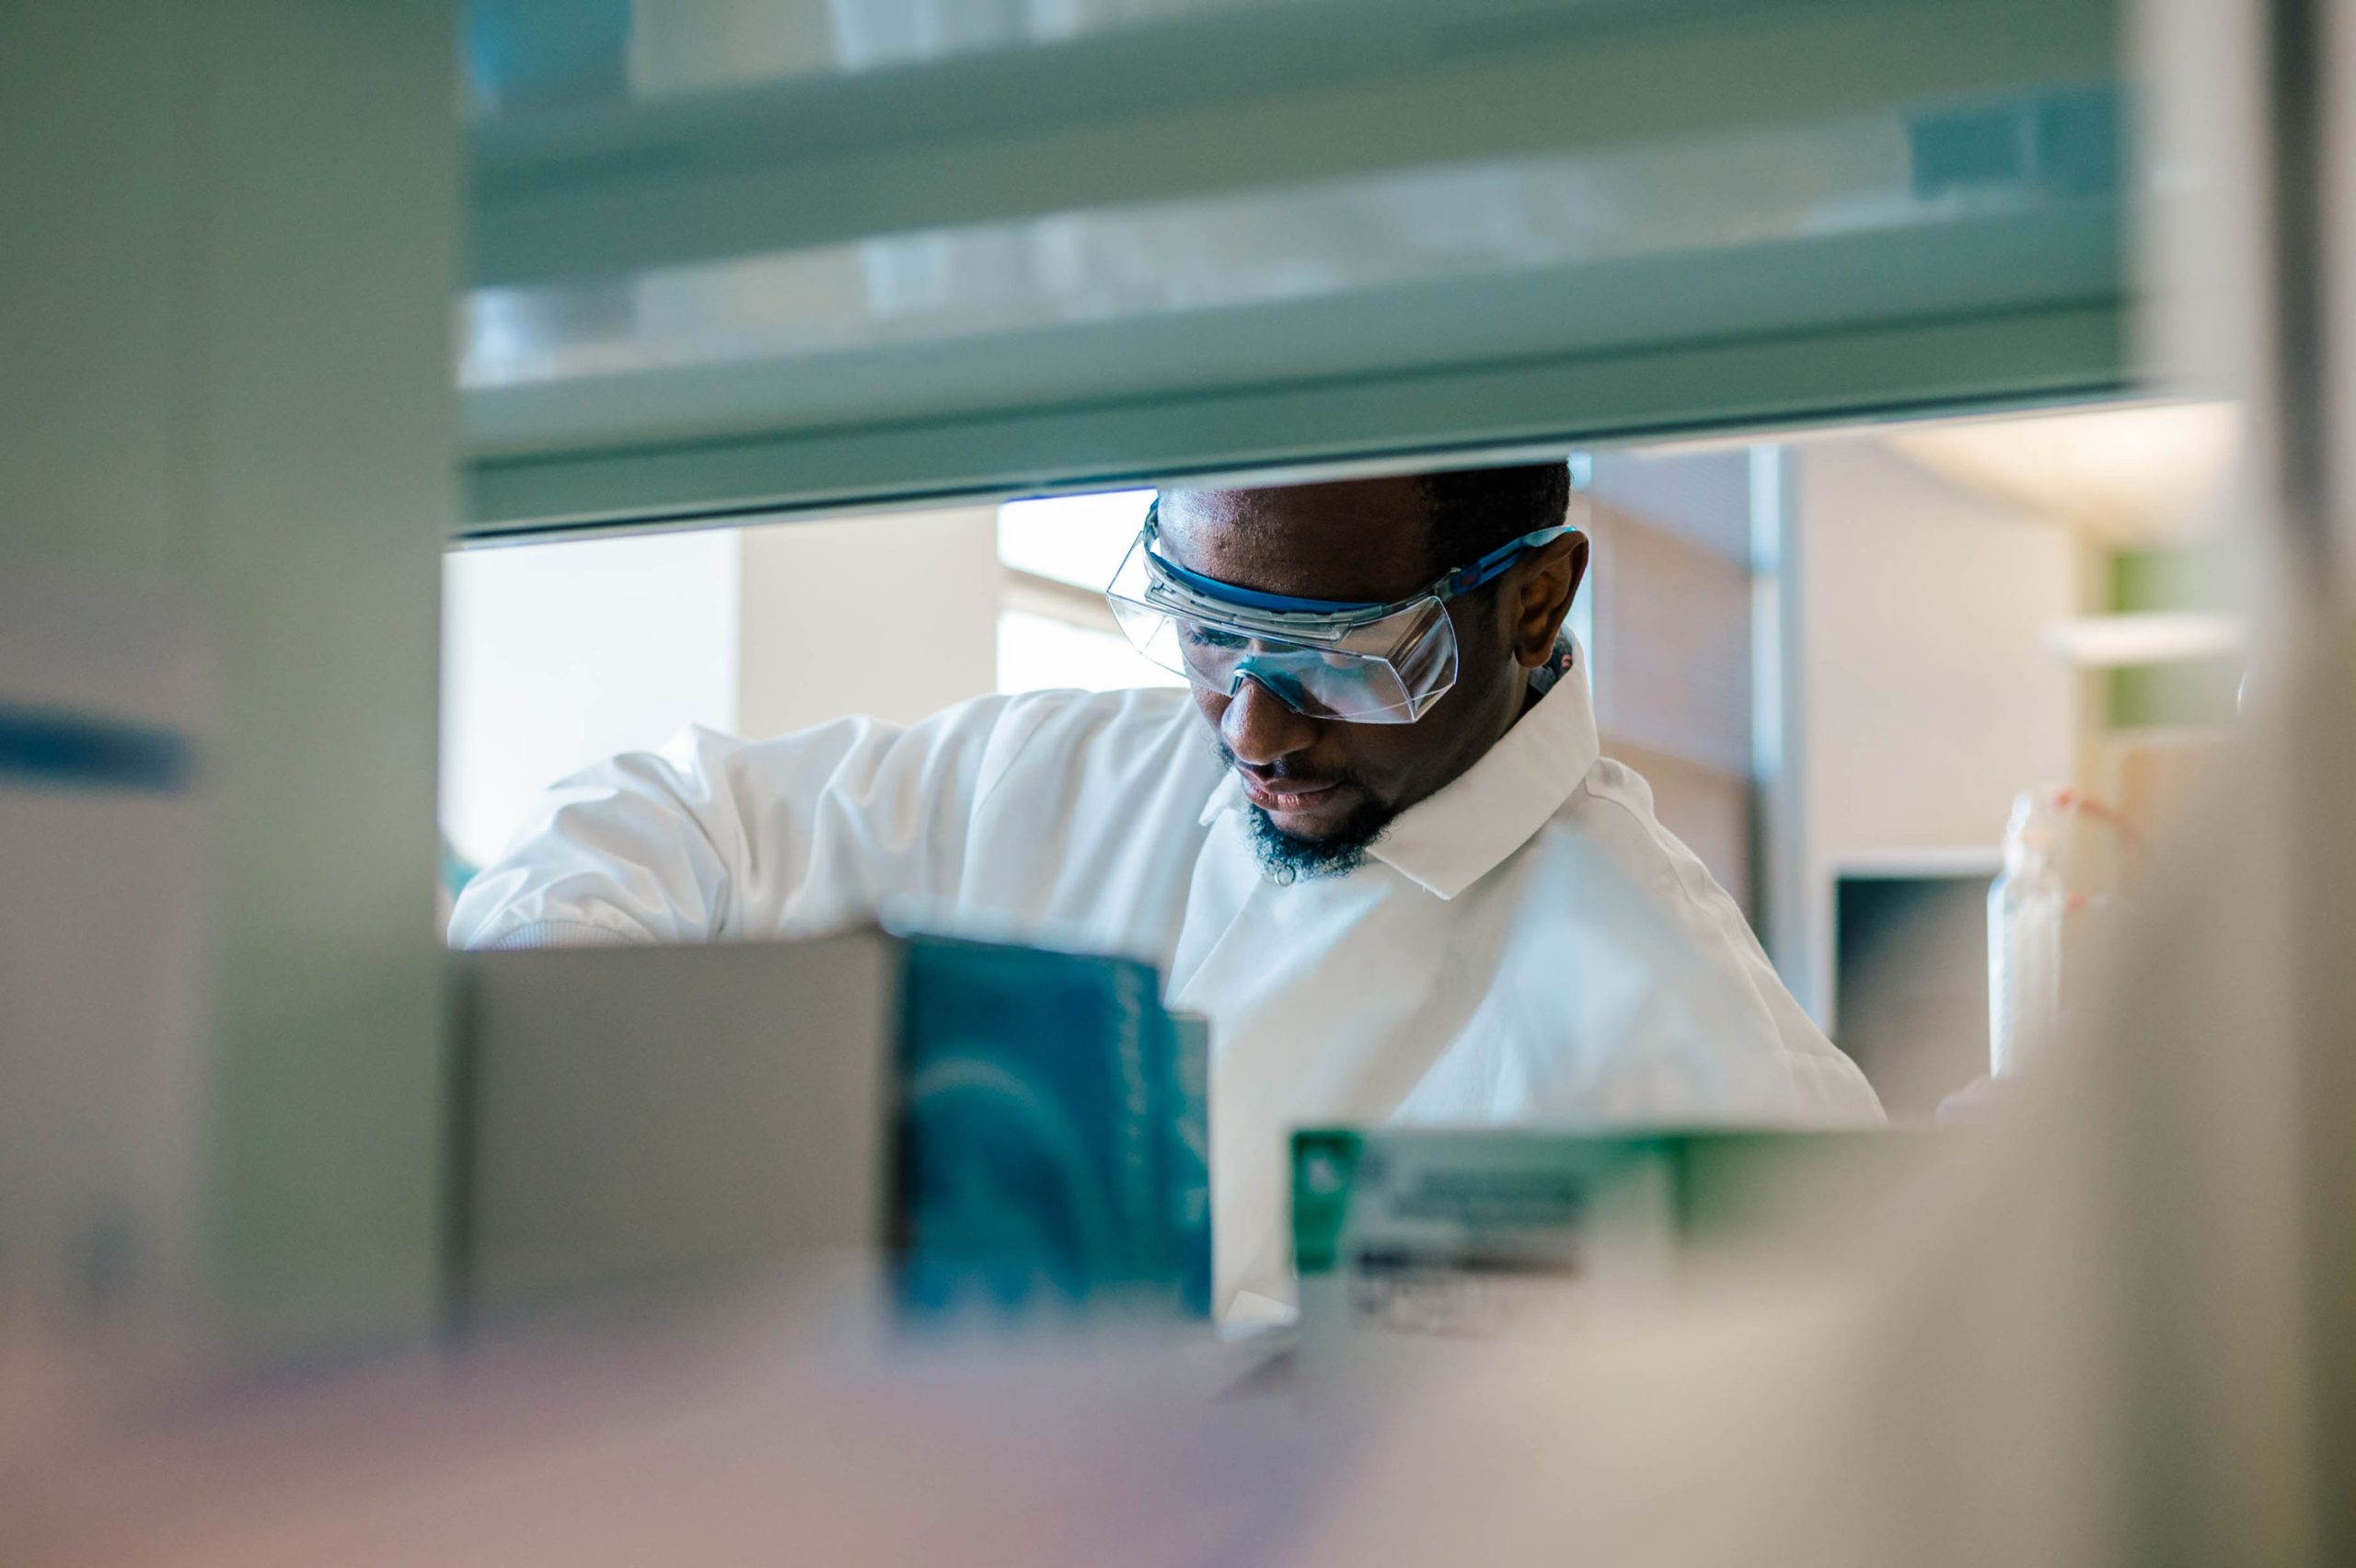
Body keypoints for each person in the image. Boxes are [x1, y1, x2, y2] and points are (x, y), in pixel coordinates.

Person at [451, 464, 1881, 1319]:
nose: (1253, 732)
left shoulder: (1692, 1043)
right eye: (1209, 636)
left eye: (1337, 653)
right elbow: (654, 824)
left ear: (1535, 600)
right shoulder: (1060, 773)